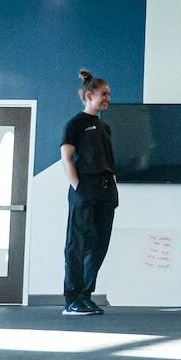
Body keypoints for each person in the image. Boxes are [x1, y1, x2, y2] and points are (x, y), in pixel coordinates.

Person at [59, 70, 119, 316]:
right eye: (104, 94)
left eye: (108, 94)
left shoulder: (105, 127)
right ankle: (71, 299)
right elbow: (66, 157)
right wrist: (78, 187)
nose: (108, 98)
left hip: (106, 191)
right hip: (85, 189)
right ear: (88, 95)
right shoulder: (75, 124)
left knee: (99, 245)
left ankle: (85, 296)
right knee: (77, 245)